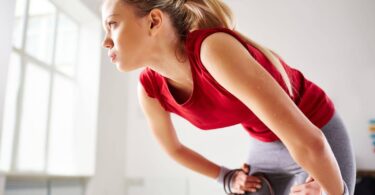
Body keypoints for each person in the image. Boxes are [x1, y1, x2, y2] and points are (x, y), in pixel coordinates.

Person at [101, 0, 356, 194]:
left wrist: (329, 188)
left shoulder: (212, 50)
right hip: (265, 144)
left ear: (154, 21)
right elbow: (174, 149)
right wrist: (227, 177)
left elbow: (310, 142)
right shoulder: (149, 90)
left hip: (314, 130)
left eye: (112, 24)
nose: (106, 41)